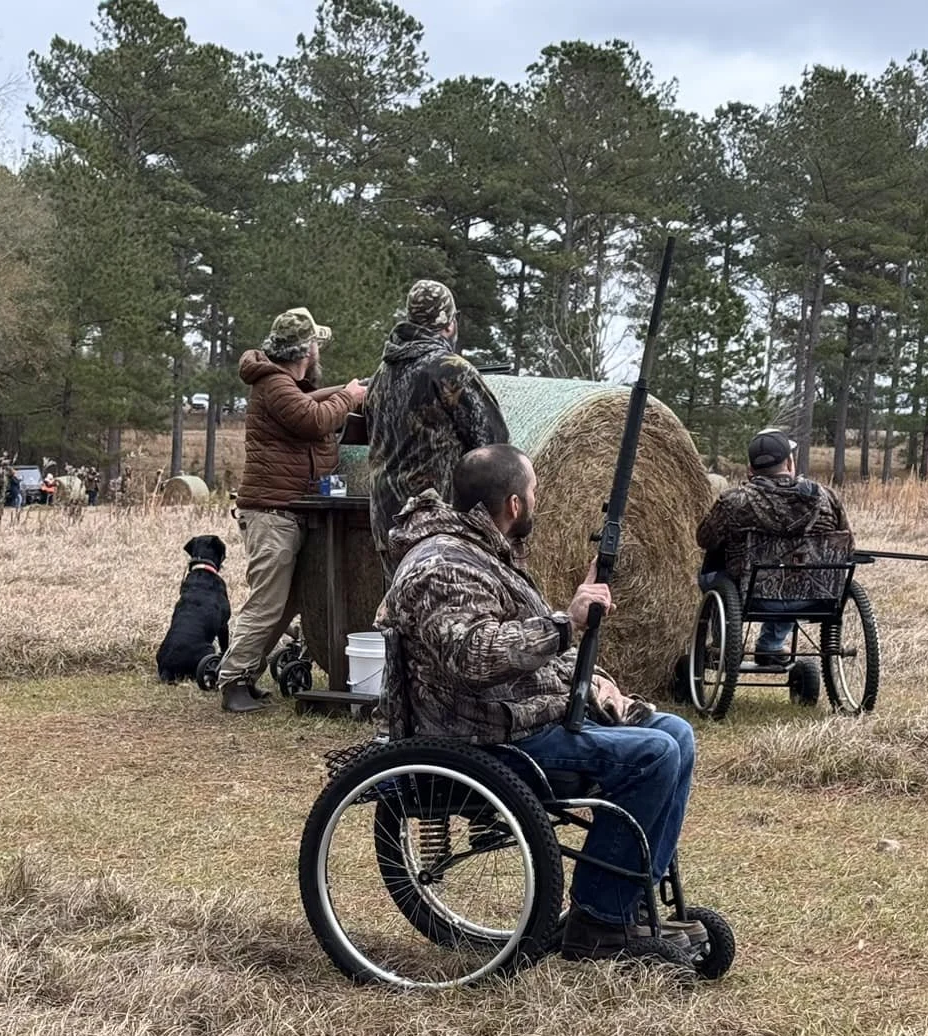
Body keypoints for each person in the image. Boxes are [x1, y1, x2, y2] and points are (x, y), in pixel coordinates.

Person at [377, 444, 702, 962]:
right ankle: (600, 921)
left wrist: (591, 681)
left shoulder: (487, 556)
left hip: (522, 716)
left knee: (676, 735)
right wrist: (565, 622)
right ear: (513, 504)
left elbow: (519, 646)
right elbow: (474, 655)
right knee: (653, 755)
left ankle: (630, 902)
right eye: (533, 493)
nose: (539, 502)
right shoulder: (441, 565)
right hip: (484, 738)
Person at [215, 306, 368, 714]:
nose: (318, 350)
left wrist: (343, 391)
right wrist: (349, 396)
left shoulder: (281, 384)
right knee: (268, 604)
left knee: (283, 605)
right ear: (305, 350)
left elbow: (308, 404)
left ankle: (245, 674)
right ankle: (232, 680)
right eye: (315, 344)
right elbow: (312, 418)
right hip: (272, 514)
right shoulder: (275, 384)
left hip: (285, 512)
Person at [365, 279, 510, 566]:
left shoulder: (381, 374)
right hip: (436, 527)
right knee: (445, 609)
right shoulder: (450, 369)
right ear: (448, 324)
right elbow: (496, 448)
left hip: (387, 524)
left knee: (405, 607)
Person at [695, 429, 851, 667]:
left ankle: (722, 644)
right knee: (796, 571)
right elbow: (847, 543)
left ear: (750, 469)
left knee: (711, 575)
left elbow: (704, 539)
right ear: (789, 463)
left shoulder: (734, 501)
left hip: (749, 597)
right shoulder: (827, 498)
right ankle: (771, 645)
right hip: (813, 597)